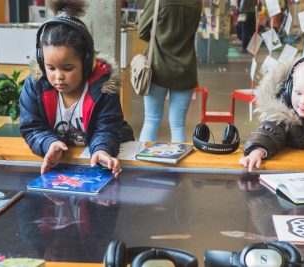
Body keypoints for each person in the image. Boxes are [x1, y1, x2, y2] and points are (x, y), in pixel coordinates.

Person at [19, 0, 134, 175]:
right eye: (51, 68)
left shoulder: (103, 87)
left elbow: (107, 127)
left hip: (99, 163)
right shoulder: (35, 87)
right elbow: (32, 128)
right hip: (63, 166)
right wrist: (49, 143)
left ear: (87, 63)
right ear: (42, 64)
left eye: (67, 68)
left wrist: (102, 150)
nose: (58, 76)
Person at [137, 0, 202, 142]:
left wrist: (160, 39)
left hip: (157, 68)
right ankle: (176, 163)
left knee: (151, 120)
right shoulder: (196, 2)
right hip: (186, 68)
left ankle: (144, 163)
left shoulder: (157, 1)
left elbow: (141, 31)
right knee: (178, 125)